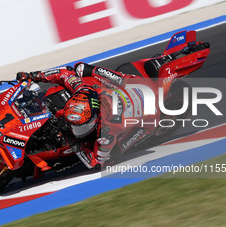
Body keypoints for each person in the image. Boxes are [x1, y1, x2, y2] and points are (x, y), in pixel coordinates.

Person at [16, 62, 148, 169]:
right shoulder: (83, 89)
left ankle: (145, 131)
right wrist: (34, 76)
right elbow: (65, 72)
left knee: (110, 158)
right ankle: (121, 78)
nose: (75, 131)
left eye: (79, 128)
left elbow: (95, 162)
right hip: (128, 86)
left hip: (148, 116)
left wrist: (75, 144)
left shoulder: (106, 132)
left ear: (94, 119)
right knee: (80, 68)